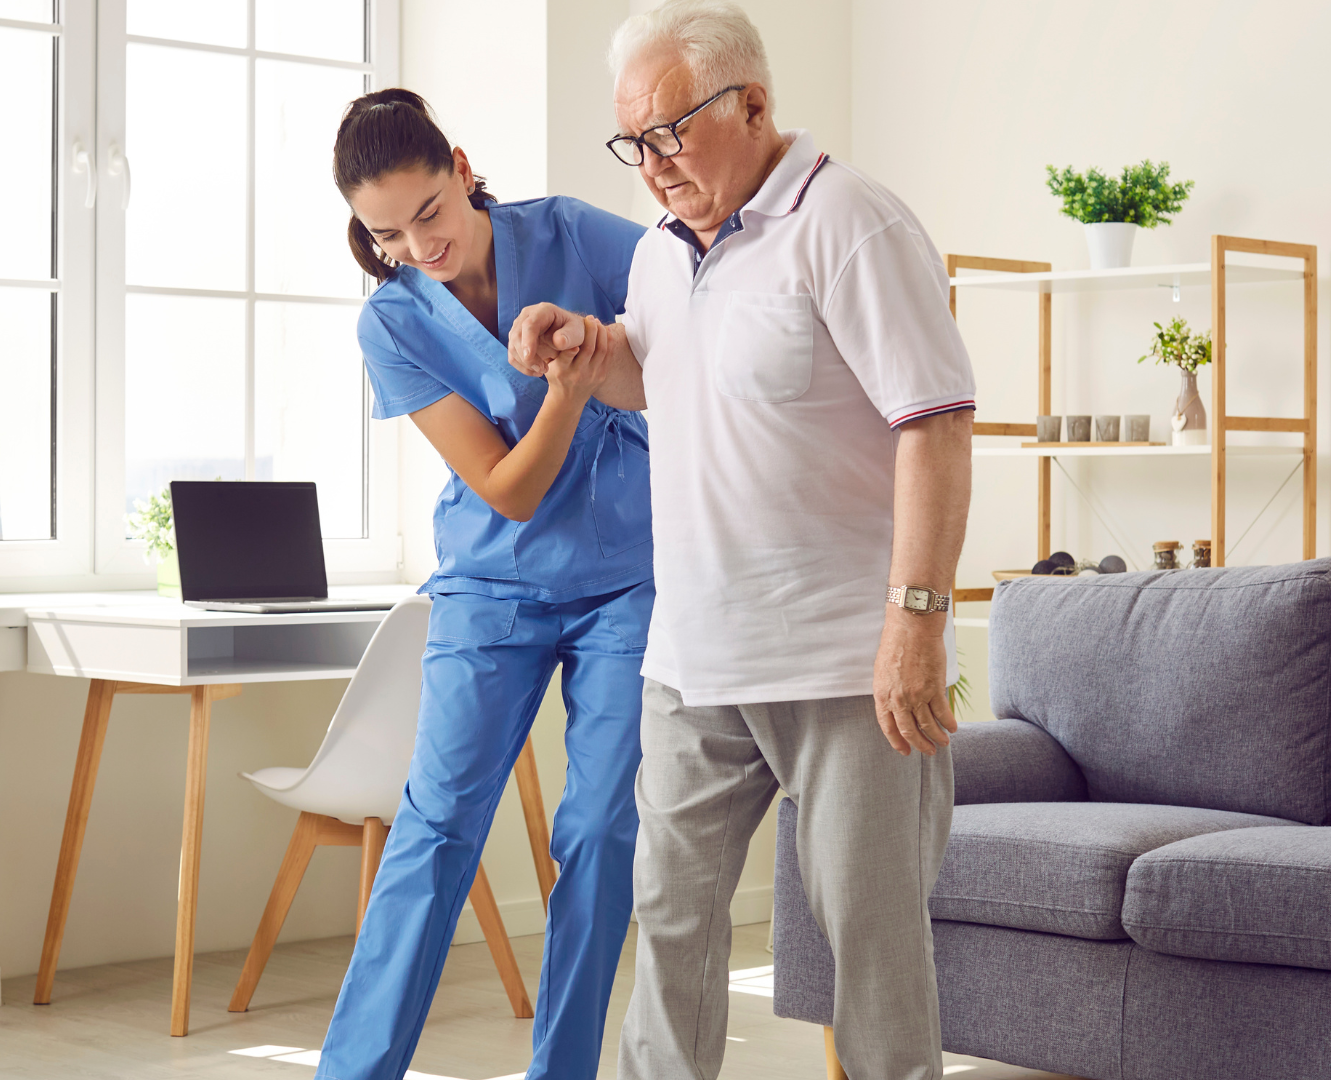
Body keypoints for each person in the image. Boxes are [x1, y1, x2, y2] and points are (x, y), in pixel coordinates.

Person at [507, 3, 976, 1077]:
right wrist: (588, 345)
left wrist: (916, 627)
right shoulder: (663, 255)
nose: (653, 166)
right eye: (633, 144)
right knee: (669, 933)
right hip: (693, 664)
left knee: (872, 957)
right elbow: (659, 371)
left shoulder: (852, 224)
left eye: (668, 134)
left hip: (847, 669)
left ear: (752, 103)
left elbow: (937, 425)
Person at [316, 89, 652, 1080]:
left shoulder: (569, 231)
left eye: (429, 213)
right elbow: (507, 489)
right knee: (435, 830)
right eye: (386, 233)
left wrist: (607, 351)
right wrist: (574, 382)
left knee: (598, 830)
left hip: (629, 580)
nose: (418, 245)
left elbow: (692, 291)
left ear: (462, 168)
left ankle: (563, 1072)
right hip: (490, 589)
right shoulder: (392, 323)